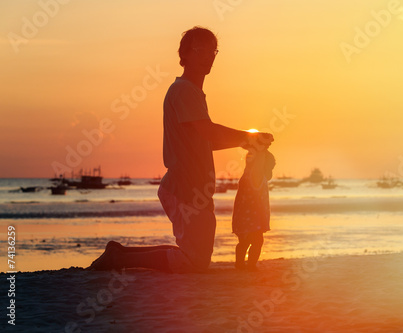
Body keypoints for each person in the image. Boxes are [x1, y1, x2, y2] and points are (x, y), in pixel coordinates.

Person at [87, 26, 273, 273]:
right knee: (194, 263)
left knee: (193, 258)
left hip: (193, 189)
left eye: (212, 51)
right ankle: (119, 258)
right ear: (184, 54)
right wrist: (250, 137)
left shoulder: (193, 92)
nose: (208, 56)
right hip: (185, 188)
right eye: (200, 50)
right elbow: (208, 131)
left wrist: (247, 141)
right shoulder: (184, 90)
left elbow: (207, 140)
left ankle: (119, 254)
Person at [233, 148, 275, 271]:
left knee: (244, 242)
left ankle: (240, 264)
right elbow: (258, 162)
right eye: (271, 167)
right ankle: (250, 265)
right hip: (251, 218)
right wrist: (262, 147)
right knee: (256, 242)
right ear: (261, 165)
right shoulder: (255, 175)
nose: (272, 171)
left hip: (244, 217)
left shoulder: (249, 173)